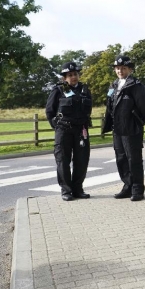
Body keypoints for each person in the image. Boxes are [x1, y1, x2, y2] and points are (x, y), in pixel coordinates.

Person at [102, 55, 145, 202]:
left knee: (134, 159)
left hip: (131, 129)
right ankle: (127, 186)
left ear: (130, 69)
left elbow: (144, 109)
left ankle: (137, 189)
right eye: (117, 68)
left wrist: (137, 123)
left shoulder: (137, 86)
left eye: (123, 68)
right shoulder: (114, 85)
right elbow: (109, 105)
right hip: (117, 128)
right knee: (121, 158)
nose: (120, 70)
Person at [45, 62, 93, 201]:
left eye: (75, 74)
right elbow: (50, 111)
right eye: (70, 75)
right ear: (64, 77)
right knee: (63, 160)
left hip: (81, 130)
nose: (73, 77)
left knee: (81, 160)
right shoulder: (58, 90)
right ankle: (66, 190)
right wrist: (57, 126)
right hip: (64, 130)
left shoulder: (84, 89)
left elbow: (88, 108)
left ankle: (78, 189)